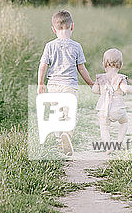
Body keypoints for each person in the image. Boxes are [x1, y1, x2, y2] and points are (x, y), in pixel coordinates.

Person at [37, 9, 94, 155]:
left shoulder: (49, 46)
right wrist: (91, 84)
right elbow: (81, 69)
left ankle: (59, 141)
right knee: (70, 115)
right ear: (72, 26)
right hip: (69, 86)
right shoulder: (76, 46)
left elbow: (43, 65)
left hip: (53, 86)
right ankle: (67, 136)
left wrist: (40, 83)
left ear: (53, 29)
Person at [92, 48, 132, 153]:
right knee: (124, 122)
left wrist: (104, 91)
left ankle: (108, 146)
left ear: (104, 64)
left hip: (104, 109)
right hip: (117, 109)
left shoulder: (100, 78)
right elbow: (125, 89)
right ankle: (118, 142)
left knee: (104, 128)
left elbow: (94, 90)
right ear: (121, 65)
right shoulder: (120, 78)